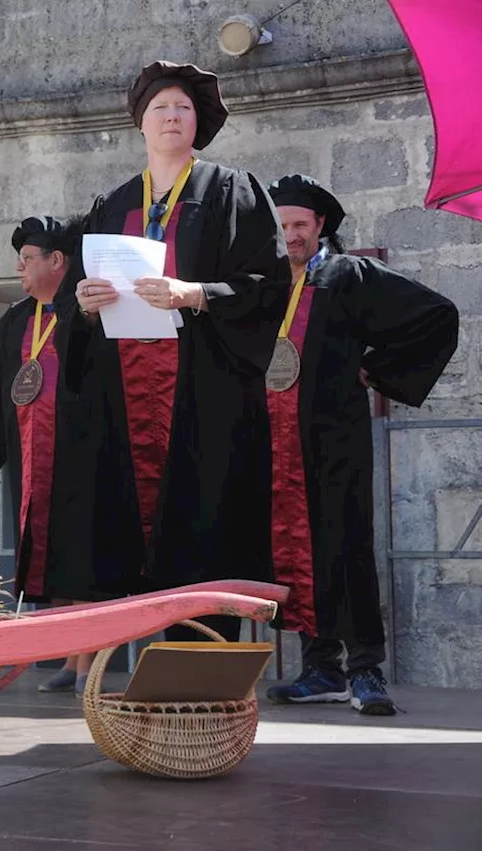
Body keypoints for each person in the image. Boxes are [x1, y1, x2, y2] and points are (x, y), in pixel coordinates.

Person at [65, 61, 290, 643]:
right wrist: (85, 303)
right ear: (140, 122)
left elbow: (268, 285)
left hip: (202, 396)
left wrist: (194, 293)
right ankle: (155, 675)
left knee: (207, 524)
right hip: (129, 395)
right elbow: (78, 318)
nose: (171, 115)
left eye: (183, 108)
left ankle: (209, 673)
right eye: (160, 107)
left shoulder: (231, 191)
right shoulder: (113, 205)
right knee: (132, 531)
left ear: (199, 123)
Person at [262, 174, 459, 715]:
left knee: (346, 545)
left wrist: (376, 369)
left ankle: (365, 669)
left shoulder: (349, 275)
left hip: (335, 439)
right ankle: (320, 668)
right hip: (281, 444)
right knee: (296, 550)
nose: (292, 236)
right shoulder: (273, 284)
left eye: (300, 225)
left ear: (320, 225)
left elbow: (436, 314)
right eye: (283, 227)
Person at [0, 215, 95, 693]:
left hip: (83, 458)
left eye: (27, 261)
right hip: (30, 458)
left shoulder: (84, 309)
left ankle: (89, 665)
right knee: (50, 557)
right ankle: (68, 659)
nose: (19, 270)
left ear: (57, 261)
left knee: (85, 560)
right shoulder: (18, 318)